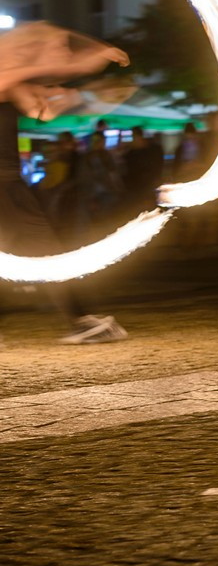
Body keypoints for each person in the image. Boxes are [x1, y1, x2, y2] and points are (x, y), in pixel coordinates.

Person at [0, 22, 130, 343]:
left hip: (6, 184)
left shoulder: (13, 81)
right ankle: (84, 319)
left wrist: (79, 95)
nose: (59, 53)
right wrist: (83, 60)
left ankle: (84, 319)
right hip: (5, 184)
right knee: (41, 249)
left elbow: (39, 108)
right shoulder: (6, 74)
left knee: (41, 250)